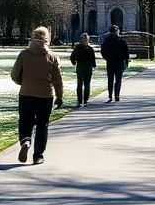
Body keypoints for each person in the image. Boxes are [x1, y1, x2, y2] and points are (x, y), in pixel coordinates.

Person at [11, 26, 63, 165]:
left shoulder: (24, 54)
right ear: (47, 39)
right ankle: (38, 155)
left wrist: (23, 82)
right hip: (45, 95)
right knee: (42, 125)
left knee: (25, 121)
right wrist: (59, 96)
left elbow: (14, 75)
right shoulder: (52, 57)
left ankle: (26, 140)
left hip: (26, 93)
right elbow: (57, 80)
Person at [100, 25, 130, 102]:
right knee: (118, 80)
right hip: (119, 63)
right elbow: (126, 52)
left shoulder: (107, 40)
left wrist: (106, 57)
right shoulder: (121, 40)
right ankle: (117, 95)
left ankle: (110, 95)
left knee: (110, 80)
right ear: (118, 31)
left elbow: (102, 51)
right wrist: (126, 62)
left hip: (110, 62)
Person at [69, 33, 97, 107]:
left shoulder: (90, 48)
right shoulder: (78, 47)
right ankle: (79, 99)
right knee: (79, 84)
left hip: (88, 67)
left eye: (86, 39)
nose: (85, 40)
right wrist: (74, 62)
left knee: (87, 84)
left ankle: (86, 100)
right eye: (84, 39)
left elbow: (93, 58)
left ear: (88, 40)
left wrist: (94, 66)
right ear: (81, 39)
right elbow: (72, 57)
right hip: (80, 67)